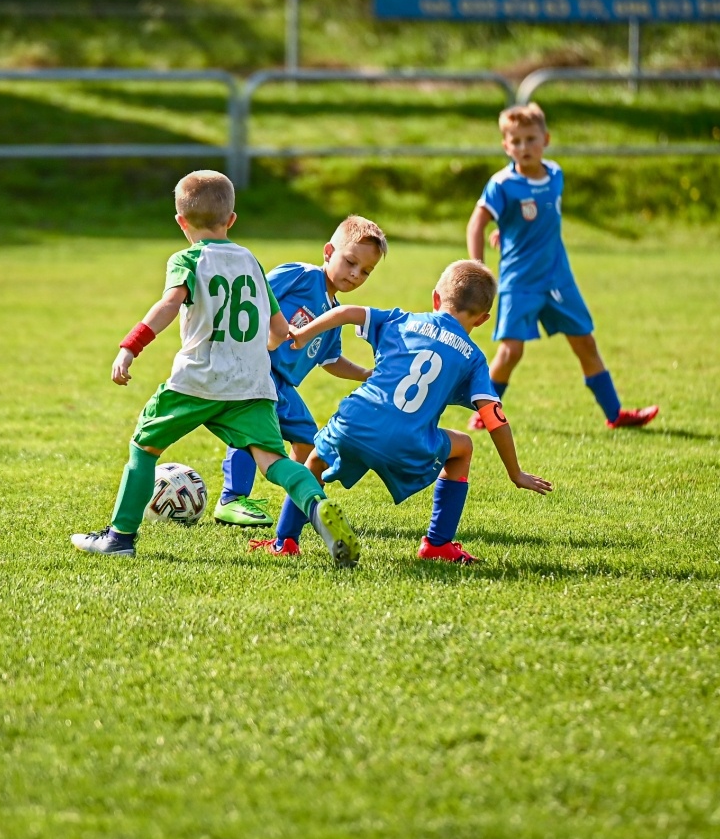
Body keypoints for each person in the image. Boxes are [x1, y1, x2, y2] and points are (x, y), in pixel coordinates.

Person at [70, 170, 360, 567]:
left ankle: (119, 537)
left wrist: (129, 347)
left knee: (144, 447)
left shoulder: (186, 259)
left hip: (198, 379)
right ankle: (316, 505)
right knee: (273, 461)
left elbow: (169, 305)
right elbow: (277, 333)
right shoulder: (251, 262)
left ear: (181, 222)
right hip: (253, 383)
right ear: (232, 220)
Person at [261, 260, 551, 564]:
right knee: (463, 446)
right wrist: (514, 472)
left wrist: (304, 333)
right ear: (482, 320)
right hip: (408, 442)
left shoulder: (401, 320)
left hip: (354, 422)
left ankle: (286, 541)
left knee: (315, 461)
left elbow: (346, 313)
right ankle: (438, 544)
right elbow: (493, 417)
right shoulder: (474, 358)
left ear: (436, 298)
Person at [466, 102, 658, 430]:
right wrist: (477, 268)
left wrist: (509, 227)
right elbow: (476, 223)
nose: (524, 147)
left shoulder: (555, 175)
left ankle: (616, 414)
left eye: (530, 138)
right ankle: (484, 416)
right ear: (505, 145)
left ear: (546, 139)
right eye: (516, 141)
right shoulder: (502, 183)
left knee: (585, 342)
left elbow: (539, 212)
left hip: (558, 279)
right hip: (519, 281)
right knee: (511, 353)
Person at [212, 216, 386, 543]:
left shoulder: (335, 313)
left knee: (309, 444)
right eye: (350, 262)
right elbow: (253, 297)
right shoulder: (299, 276)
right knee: (250, 430)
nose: (355, 274)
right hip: (253, 368)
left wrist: (364, 373)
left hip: (283, 385)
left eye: (365, 271)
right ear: (328, 252)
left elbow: (330, 360)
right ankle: (231, 499)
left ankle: (298, 506)